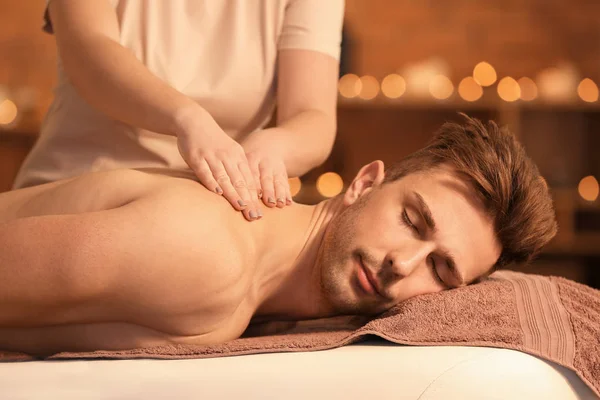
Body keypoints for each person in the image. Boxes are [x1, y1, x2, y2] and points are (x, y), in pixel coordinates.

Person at [0, 116, 557, 356]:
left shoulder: (251, 287)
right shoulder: (210, 254)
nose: (403, 263)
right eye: (412, 220)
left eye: (442, 270)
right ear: (364, 184)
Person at [13, 0, 344, 221]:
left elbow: (312, 116)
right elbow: (89, 52)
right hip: (75, 198)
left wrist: (274, 145)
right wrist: (186, 118)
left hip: (203, 214)